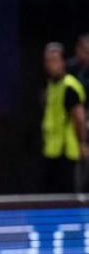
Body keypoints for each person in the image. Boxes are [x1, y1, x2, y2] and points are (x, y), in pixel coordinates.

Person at [41, 42, 85, 194]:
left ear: (62, 62)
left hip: (67, 151)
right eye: (47, 61)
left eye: (54, 60)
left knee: (67, 198)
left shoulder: (70, 87)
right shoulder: (50, 86)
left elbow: (79, 118)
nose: (50, 65)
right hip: (51, 150)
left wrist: (82, 144)